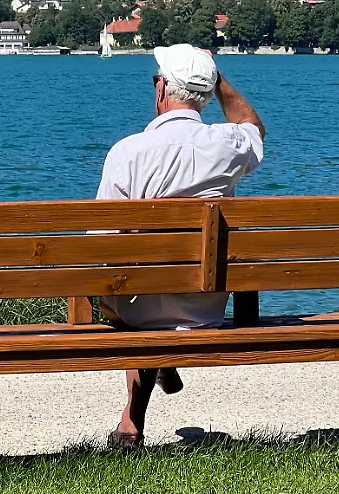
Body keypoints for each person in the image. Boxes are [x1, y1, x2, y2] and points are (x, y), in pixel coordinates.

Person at [95, 43, 265, 447]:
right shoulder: (229, 145)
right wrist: (216, 77)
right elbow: (253, 126)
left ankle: (135, 416)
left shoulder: (127, 152)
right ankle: (142, 399)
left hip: (136, 308)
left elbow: (100, 247)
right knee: (144, 289)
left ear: (160, 89)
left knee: (117, 291)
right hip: (204, 308)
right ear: (206, 93)